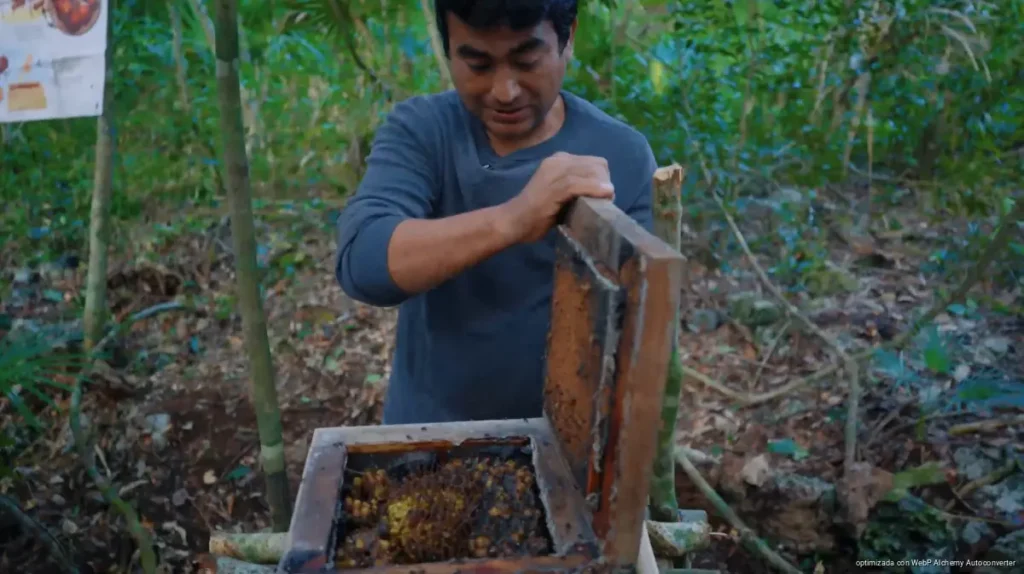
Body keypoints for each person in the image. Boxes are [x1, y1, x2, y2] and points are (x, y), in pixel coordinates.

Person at [335, 0, 657, 424]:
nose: (505, 91)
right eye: (479, 65)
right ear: (449, 50)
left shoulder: (623, 157)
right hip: (426, 440)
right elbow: (363, 261)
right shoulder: (423, 132)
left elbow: (641, 335)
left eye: (527, 60)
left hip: (563, 449)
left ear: (569, 38)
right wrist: (514, 219)